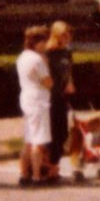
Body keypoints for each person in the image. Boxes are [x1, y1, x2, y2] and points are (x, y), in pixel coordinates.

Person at [17, 25, 56, 187]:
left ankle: (24, 174)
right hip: (38, 99)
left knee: (28, 138)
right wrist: (46, 65)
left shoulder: (22, 56)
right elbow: (48, 82)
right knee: (38, 140)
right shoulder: (38, 59)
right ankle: (37, 176)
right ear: (38, 42)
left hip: (26, 96)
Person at [45, 20, 76, 177]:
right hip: (50, 96)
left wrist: (70, 83)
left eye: (69, 35)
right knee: (52, 132)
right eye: (64, 35)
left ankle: (54, 163)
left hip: (62, 95)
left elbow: (68, 69)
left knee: (63, 132)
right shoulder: (49, 53)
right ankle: (51, 167)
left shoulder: (67, 52)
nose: (67, 38)